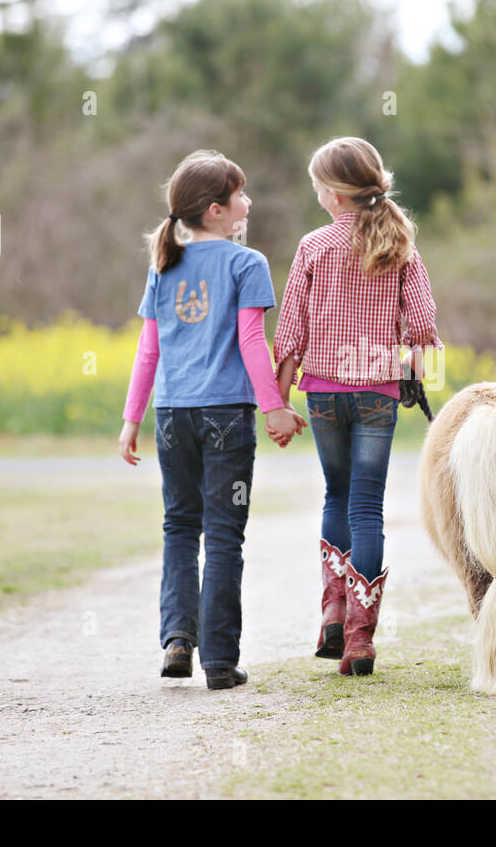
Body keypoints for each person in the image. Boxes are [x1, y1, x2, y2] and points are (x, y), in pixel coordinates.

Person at [118, 149, 306, 690]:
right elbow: (251, 342)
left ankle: (178, 640)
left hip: (172, 417)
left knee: (179, 527)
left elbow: (147, 351)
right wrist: (274, 407)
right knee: (224, 537)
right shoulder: (247, 264)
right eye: (241, 193)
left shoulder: (165, 265)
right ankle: (220, 663)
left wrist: (133, 418)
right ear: (219, 210)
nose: (249, 201)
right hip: (226, 414)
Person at [272, 136, 443, 676]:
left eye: (318, 185)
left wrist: (277, 402)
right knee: (367, 505)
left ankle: (331, 610)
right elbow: (422, 326)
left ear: (333, 193)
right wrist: (419, 375)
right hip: (377, 393)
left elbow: (290, 333)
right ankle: (360, 640)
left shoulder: (313, 247)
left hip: (322, 392)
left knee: (335, 492)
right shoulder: (400, 245)